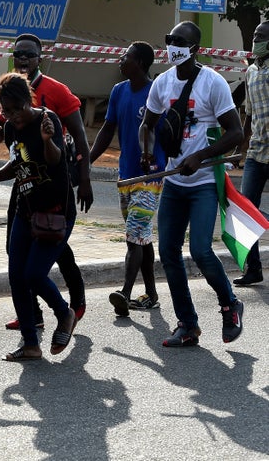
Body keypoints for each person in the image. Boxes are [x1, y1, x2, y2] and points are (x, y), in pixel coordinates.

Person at [139, 20, 244, 347]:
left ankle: (229, 304)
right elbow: (148, 124)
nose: (174, 46)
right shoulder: (162, 83)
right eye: (170, 39)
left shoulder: (213, 84)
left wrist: (200, 156)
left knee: (199, 249)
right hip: (174, 183)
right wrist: (147, 154)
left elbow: (236, 133)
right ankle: (188, 324)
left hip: (201, 183)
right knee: (168, 251)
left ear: (196, 49)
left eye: (181, 41)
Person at [0, 33, 90, 327]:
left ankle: (76, 300)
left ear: (41, 58)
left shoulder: (56, 91)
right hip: (24, 177)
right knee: (15, 247)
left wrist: (86, 176)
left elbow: (80, 135)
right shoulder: (9, 91)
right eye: (19, 55)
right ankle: (32, 315)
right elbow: (3, 137)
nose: (24, 60)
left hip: (53, 179)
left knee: (56, 244)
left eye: (29, 55)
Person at [0, 73, 77, 361]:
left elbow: (56, 161)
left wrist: (47, 141)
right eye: (5, 111)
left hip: (56, 212)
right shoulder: (10, 128)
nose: (11, 116)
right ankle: (30, 343)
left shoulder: (48, 121)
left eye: (15, 110)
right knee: (17, 277)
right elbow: (17, 161)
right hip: (26, 210)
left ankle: (64, 313)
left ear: (26, 102)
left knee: (34, 273)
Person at [88, 42, 164, 315]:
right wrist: (87, 161)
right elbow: (108, 129)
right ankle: (152, 294)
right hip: (126, 175)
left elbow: (166, 132)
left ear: (141, 63)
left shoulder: (157, 92)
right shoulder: (119, 91)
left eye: (126, 57)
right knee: (141, 236)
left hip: (151, 175)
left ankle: (125, 292)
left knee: (134, 235)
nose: (120, 60)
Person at [233, 19, 269, 286]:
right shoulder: (251, 73)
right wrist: (239, 149)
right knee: (246, 210)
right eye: (255, 34)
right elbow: (248, 115)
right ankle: (253, 269)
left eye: (260, 36)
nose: (255, 40)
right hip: (257, 152)